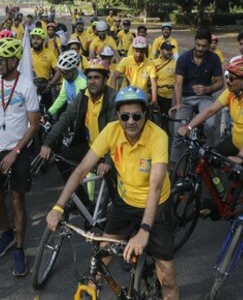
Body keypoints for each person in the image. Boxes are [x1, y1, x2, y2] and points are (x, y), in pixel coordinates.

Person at [46, 86, 178, 300]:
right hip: (125, 203)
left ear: (145, 114)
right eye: (125, 116)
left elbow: (155, 185)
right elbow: (80, 171)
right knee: (100, 262)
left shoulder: (158, 136)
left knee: (169, 277)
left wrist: (144, 230)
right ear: (118, 115)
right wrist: (58, 206)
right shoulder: (111, 130)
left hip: (156, 207)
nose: (131, 121)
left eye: (136, 115)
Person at [0, 38, 40, 277]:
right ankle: (6, 233)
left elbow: (34, 125)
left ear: (13, 61)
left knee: (17, 200)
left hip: (18, 150)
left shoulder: (27, 86)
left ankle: (19, 247)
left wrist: (16, 153)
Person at [40, 57, 118, 206]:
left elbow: (115, 133)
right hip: (90, 147)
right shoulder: (83, 95)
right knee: (60, 159)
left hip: (110, 151)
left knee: (114, 192)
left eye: (97, 78)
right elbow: (66, 118)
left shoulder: (113, 99)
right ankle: (84, 203)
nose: (92, 81)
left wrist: (108, 160)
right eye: (89, 78)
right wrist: (47, 142)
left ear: (105, 79)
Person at [177, 58, 243, 177]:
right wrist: (189, 127)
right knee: (209, 159)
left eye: (231, 78)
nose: (227, 81)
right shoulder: (231, 92)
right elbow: (210, 110)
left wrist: (241, 156)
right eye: (227, 76)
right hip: (236, 142)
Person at [169, 28, 224, 164]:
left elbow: (220, 83)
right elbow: (178, 84)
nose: (200, 48)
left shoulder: (214, 58)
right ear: (194, 42)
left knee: (211, 125)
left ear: (209, 45)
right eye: (198, 45)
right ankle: (174, 166)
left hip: (205, 98)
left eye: (204, 46)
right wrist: (179, 103)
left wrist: (208, 89)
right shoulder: (183, 58)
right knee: (178, 132)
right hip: (186, 99)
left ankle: (210, 155)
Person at [110, 37, 158, 106]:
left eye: (141, 51)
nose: (138, 54)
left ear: (145, 50)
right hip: (126, 93)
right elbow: (114, 76)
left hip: (141, 94)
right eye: (137, 51)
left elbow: (153, 83)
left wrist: (154, 100)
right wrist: (114, 95)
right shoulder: (125, 61)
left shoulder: (150, 64)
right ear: (133, 49)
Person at [46, 51, 87, 120]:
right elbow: (62, 97)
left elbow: (80, 108)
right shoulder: (67, 78)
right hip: (72, 117)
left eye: (64, 73)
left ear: (73, 70)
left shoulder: (83, 83)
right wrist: (49, 113)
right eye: (61, 72)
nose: (62, 76)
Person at [30, 28, 58, 111]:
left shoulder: (50, 54)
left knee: (47, 113)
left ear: (42, 40)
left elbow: (59, 71)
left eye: (38, 39)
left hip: (45, 89)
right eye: (34, 38)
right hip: (30, 89)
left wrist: (51, 85)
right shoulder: (27, 53)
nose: (35, 41)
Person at [153, 41, 177, 130]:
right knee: (155, 116)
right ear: (161, 51)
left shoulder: (175, 63)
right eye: (167, 50)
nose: (169, 52)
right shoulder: (154, 63)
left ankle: (165, 132)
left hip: (169, 96)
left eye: (170, 49)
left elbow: (179, 79)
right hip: (157, 94)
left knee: (166, 117)